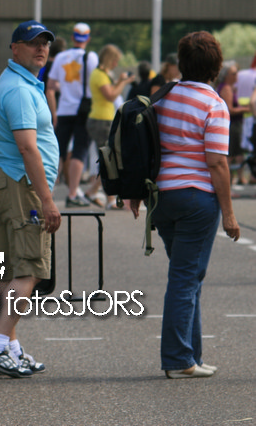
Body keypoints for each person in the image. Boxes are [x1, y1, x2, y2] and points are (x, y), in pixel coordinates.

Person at [130, 31, 240, 378]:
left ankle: (192, 356)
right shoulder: (213, 105)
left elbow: (145, 146)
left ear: (181, 63)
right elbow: (217, 163)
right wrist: (229, 214)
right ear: (216, 67)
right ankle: (179, 359)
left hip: (162, 199)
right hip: (196, 199)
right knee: (185, 278)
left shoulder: (164, 96)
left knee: (189, 275)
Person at [0, 20, 61, 378]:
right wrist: (47, 199)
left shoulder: (17, 84)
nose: (41, 49)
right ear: (14, 48)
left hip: (5, 181)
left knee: (12, 271)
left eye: (45, 43)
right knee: (30, 268)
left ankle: (10, 347)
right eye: (32, 43)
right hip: (19, 184)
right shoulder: (20, 91)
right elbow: (27, 147)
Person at [46, 22, 98, 207]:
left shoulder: (61, 57)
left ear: (72, 38)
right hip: (84, 110)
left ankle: (48, 193)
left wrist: (55, 111)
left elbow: (50, 86)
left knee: (57, 152)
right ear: (88, 39)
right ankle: (73, 193)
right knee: (79, 151)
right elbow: (96, 83)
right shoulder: (91, 57)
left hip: (64, 110)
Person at [83, 45, 136, 207]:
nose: (116, 64)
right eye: (115, 60)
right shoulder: (99, 75)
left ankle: (95, 192)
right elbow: (111, 95)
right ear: (108, 59)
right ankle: (108, 197)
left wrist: (120, 81)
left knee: (108, 160)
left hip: (102, 119)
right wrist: (124, 83)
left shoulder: (102, 74)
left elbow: (111, 90)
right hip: (100, 121)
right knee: (108, 160)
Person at [214, 62, 248, 186]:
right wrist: (247, 109)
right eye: (233, 73)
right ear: (226, 75)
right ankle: (229, 180)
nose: (236, 75)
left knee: (235, 152)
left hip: (232, 124)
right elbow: (230, 110)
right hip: (232, 125)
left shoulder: (228, 87)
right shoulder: (226, 88)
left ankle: (235, 178)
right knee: (232, 153)